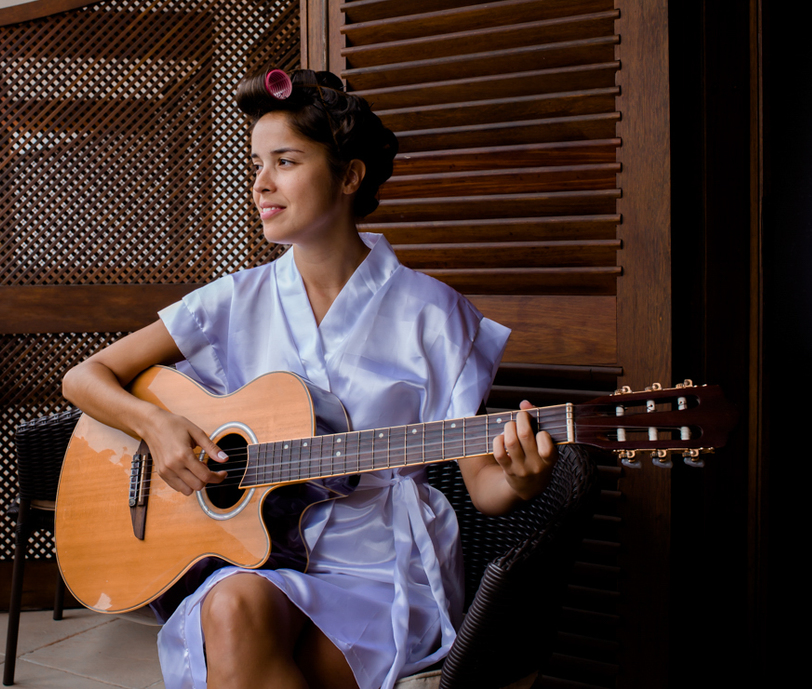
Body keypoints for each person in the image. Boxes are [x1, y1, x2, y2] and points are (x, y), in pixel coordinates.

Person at [62, 69, 557, 689]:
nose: (261, 185)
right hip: (261, 559)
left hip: (380, 573)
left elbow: (482, 485)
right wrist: (158, 426)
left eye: (286, 161)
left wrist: (519, 478)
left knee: (242, 641)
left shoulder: (434, 314)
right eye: (256, 164)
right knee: (234, 605)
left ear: (349, 177)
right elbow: (85, 377)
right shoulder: (233, 300)